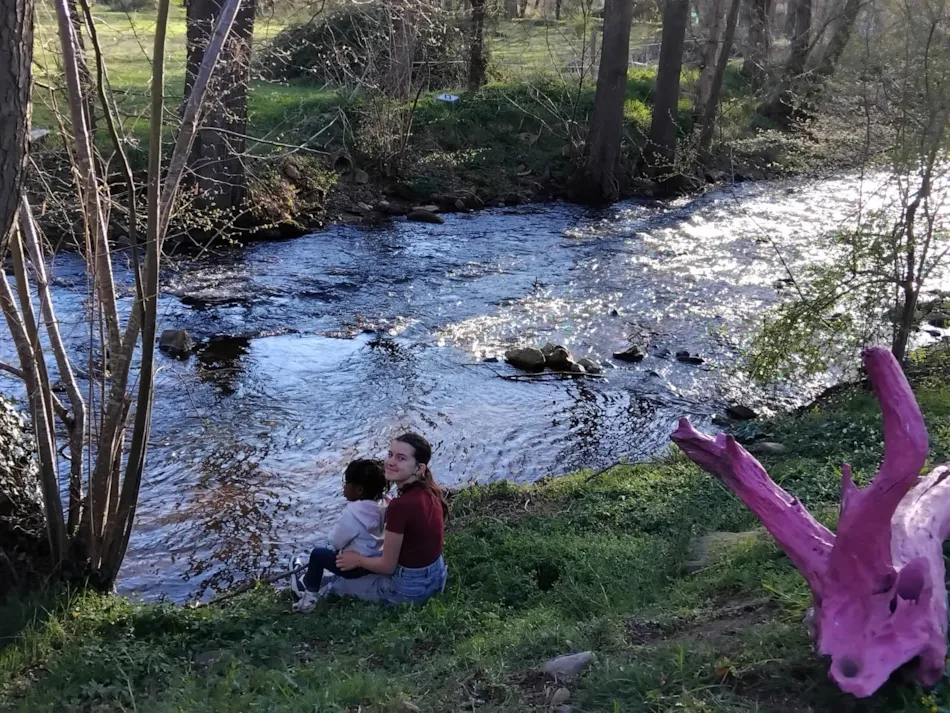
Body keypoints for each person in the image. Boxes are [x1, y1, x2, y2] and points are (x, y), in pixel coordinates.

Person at [323, 432, 449, 605]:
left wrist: (357, 560)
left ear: (419, 468)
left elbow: (387, 567)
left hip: (410, 591)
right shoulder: (429, 491)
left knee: (336, 586)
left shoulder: (400, 506)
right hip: (436, 578)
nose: (390, 462)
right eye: (390, 454)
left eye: (401, 458)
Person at [290, 458, 388, 612]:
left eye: (347, 483)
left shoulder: (353, 514)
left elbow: (335, 541)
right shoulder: (383, 505)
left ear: (359, 490)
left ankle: (308, 596)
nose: (344, 486)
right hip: (374, 562)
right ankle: (315, 581)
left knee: (318, 555)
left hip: (353, 567)